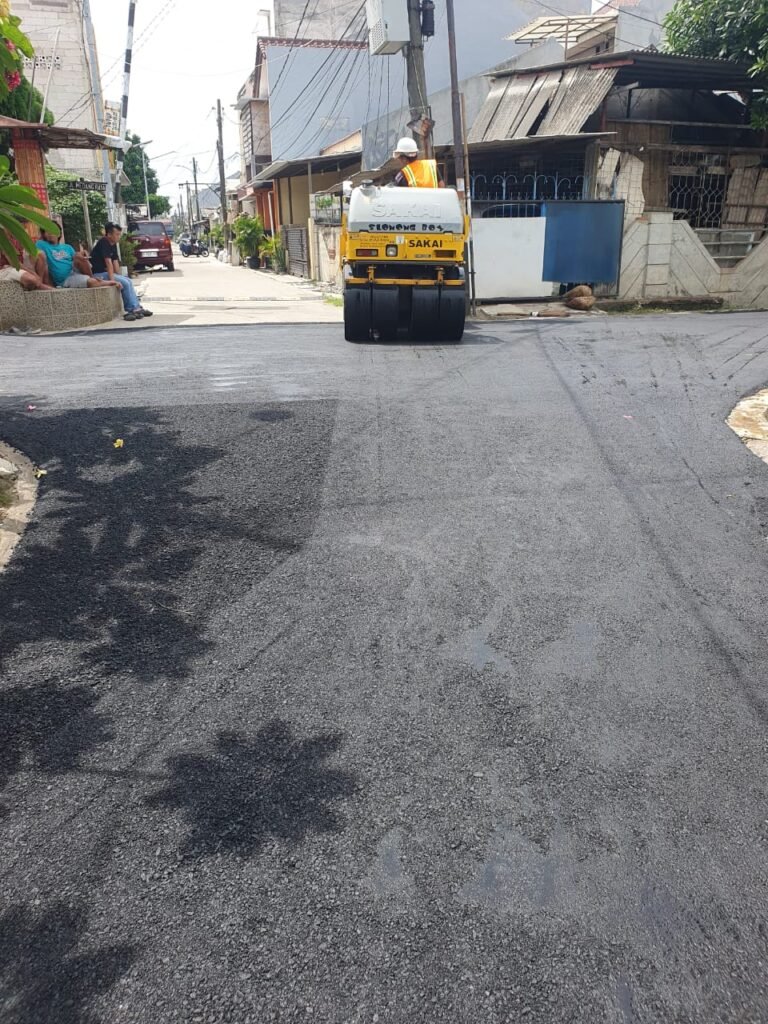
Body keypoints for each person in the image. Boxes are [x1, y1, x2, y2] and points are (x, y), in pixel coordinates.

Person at [90, 223, 153, 321]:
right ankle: (130, 310)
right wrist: (113, 281)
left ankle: (137, 307)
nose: (119, 237)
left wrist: (119, 276)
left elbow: (115, 262)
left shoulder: (113, 244)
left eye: (119, 234)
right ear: (109, 234)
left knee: (128, 280)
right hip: (98, 274)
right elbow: (108, 262)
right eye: (117, 234)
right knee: (124, 283)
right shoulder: (104, 242)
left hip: (106, 273)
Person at [36, 227, 117, 290]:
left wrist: (82, 253)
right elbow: (37, 253)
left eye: (53, 230)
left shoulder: (67, 247)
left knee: (78, 255)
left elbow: (77, 259)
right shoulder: (41, 244)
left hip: (74, 270)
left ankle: (92, 278)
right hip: (65, 279)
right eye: (47, 231)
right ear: (44, 234)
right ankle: (100, 282)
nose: (50, 233)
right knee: (90, 282)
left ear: (59, 233)